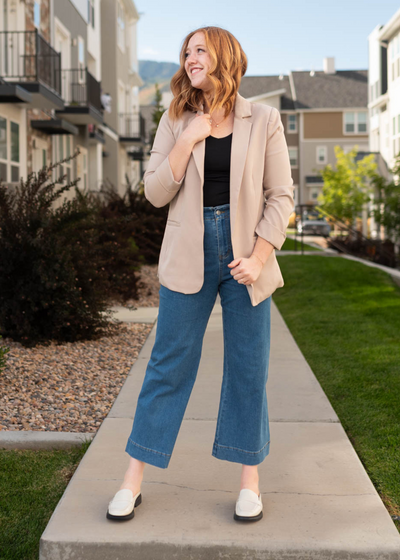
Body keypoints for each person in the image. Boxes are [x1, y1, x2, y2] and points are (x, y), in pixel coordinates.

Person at [106, 26, 294, 523]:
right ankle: (132, 480)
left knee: (249, 367)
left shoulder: (265, 119)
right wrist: (188, 138)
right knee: (168, 366)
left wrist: (259, 256)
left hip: (246, 255)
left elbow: (282, 197)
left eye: (200, 50)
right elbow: (153, 192)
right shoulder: (174, 119)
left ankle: (249, 482)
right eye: (186, 51)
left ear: (224, 56)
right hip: (188, 253)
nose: (191, 58)